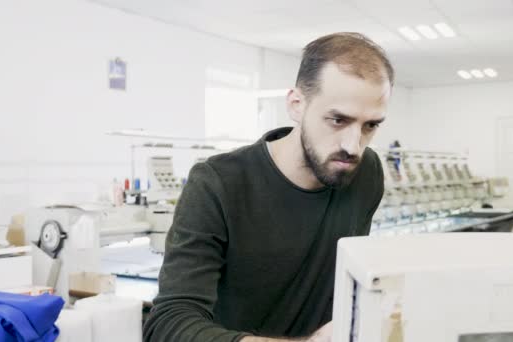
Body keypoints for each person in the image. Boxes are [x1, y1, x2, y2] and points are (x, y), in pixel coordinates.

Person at [143, 32, 394, 342]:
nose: (354, 146)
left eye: (370, 125)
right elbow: (168, 325)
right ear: (296, 105)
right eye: (337, 120)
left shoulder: (366, 173)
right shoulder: (217, 183)